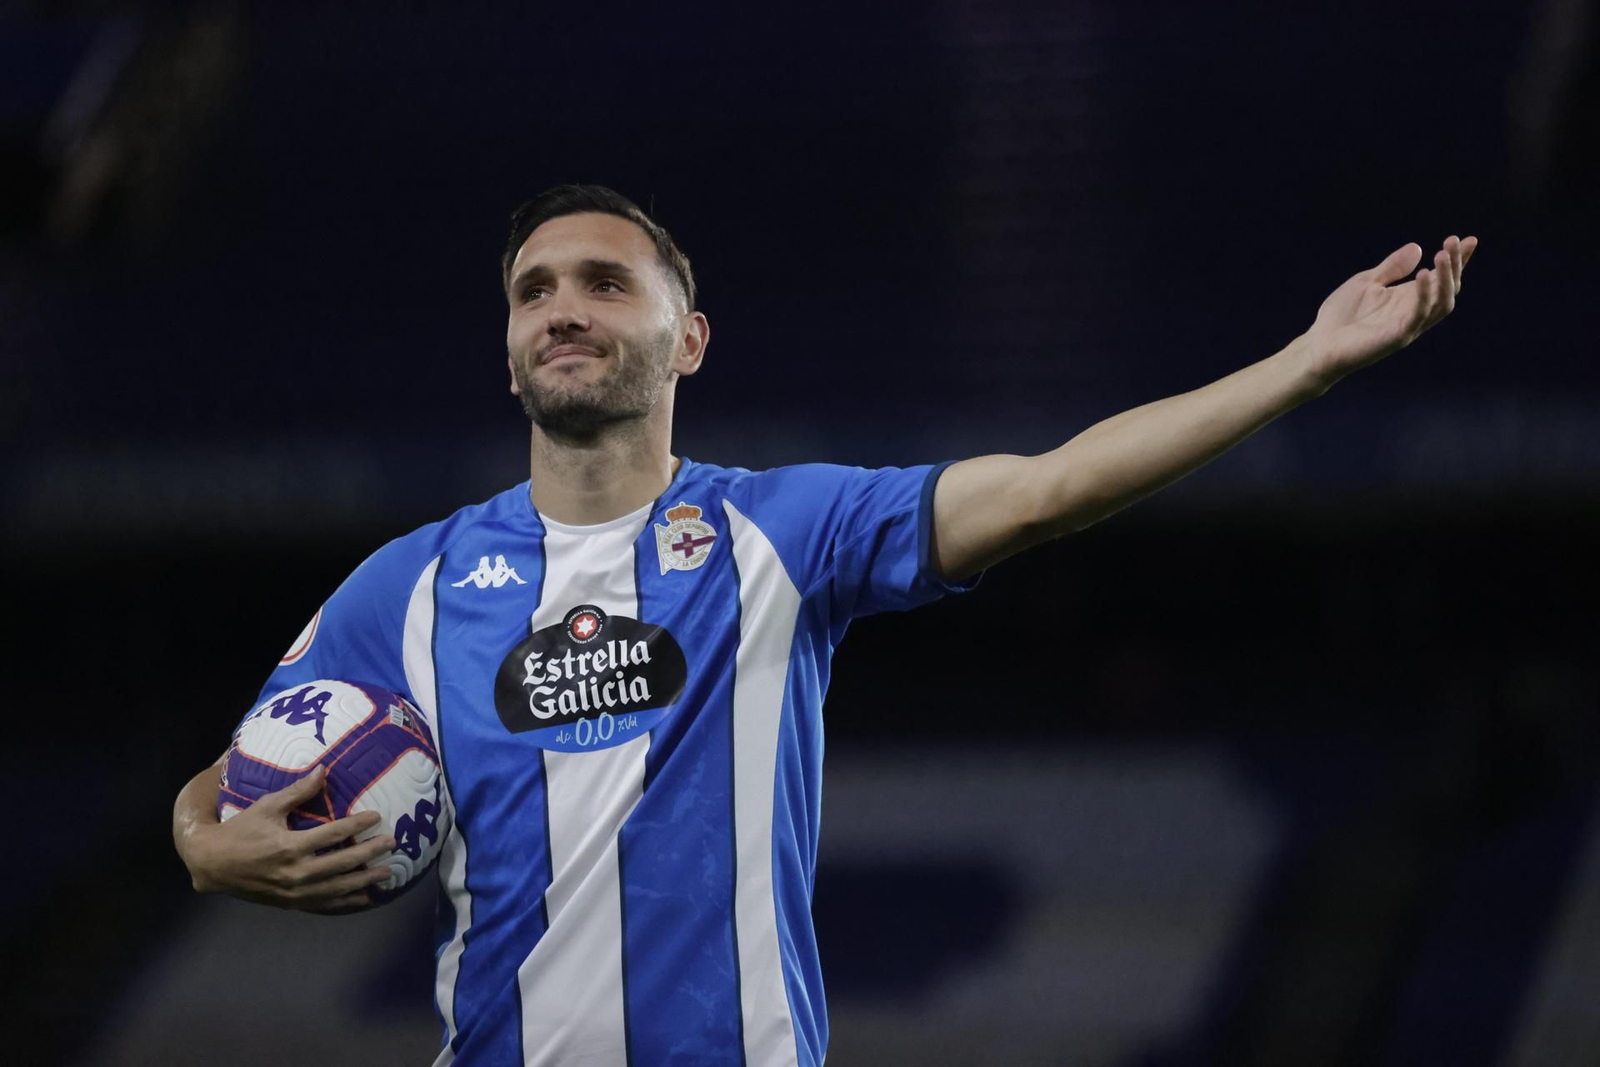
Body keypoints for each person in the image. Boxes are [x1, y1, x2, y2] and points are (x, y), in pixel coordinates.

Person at [172, 184, 1477, 1066]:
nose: (563, 307)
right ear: (510, 350)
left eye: (607, 284)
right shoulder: (406, 585)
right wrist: (205, 849)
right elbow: (237, 773)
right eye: (536, 290)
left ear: (689, 340)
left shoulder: (784, 530)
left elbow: (1050, 488)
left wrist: (1304, 364)